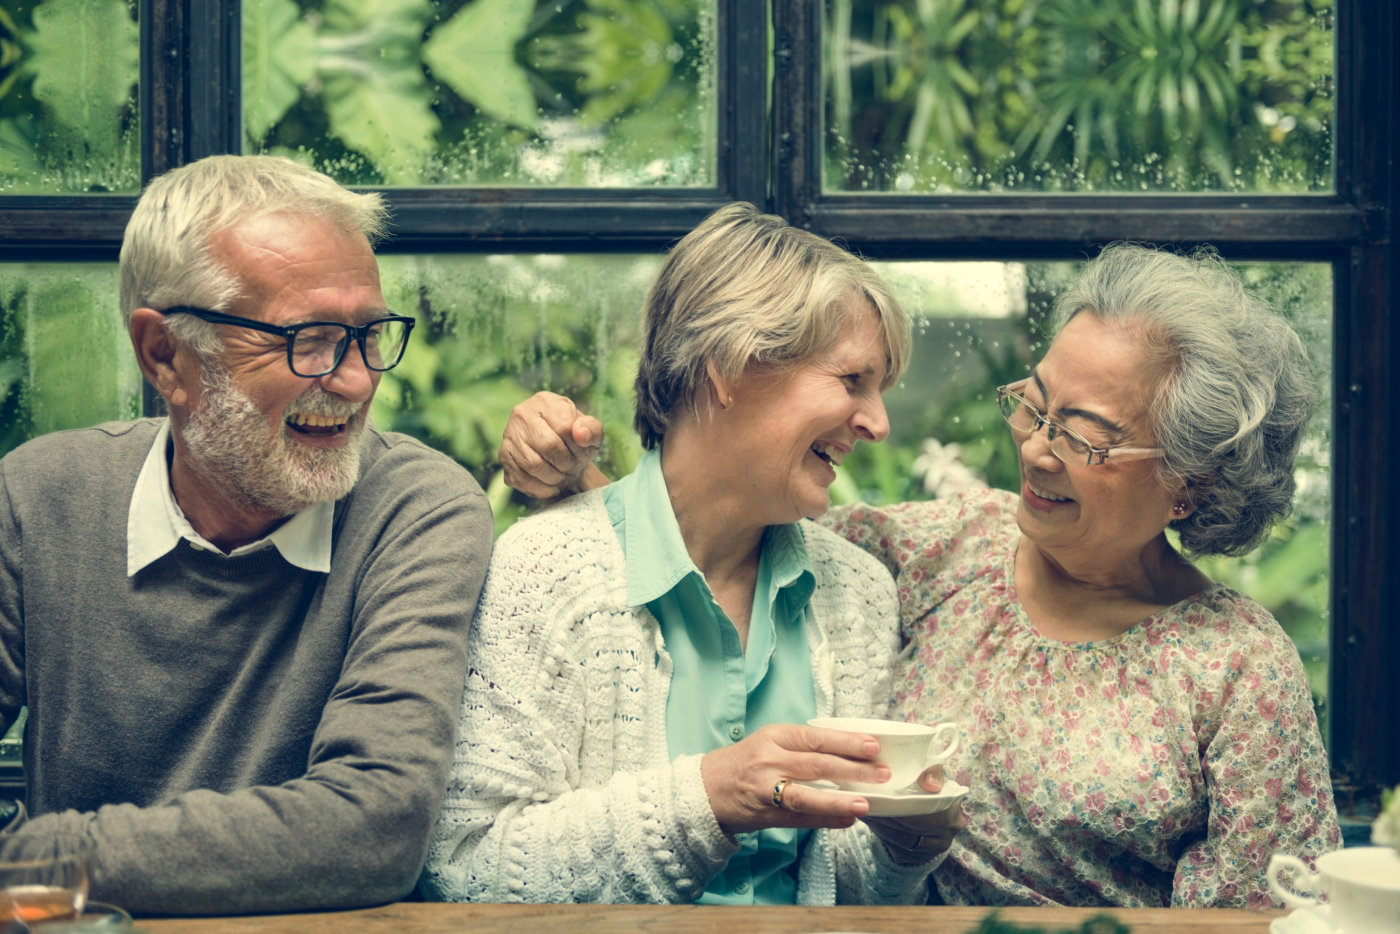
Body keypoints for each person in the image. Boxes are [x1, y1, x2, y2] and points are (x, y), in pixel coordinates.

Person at [494, 241, 1341, 909]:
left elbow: (1273, 912)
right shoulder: (945, 550)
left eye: (1082, 434)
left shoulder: (1236, 665)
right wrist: (574, 478)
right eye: (1033, 404)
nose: (1035, 448)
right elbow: (712, 516)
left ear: (1190, 477)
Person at [419, 203, 963, 906]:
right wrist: (709, 798)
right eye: (852, 380)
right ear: (731, 366)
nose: (878, 423)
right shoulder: (542, 570)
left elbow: (849, 893)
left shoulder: (855, 591)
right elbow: (466, 869)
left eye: (880, 390)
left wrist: (904, 851)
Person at [0, 155, 494, 915]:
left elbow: (375, 827)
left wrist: (40, 861)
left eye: (368, 336)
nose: (357, 379)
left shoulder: (416, 509)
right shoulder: (36, 500)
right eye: (308, 339)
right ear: (166, 355)